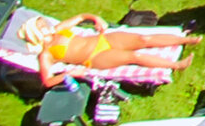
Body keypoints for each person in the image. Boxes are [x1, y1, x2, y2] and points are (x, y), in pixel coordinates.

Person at [34, 17, 191, 85]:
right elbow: (48, 81)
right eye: (41, 27)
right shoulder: (45, 54)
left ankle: (185, 39)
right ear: (35, 34)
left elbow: (82, 16)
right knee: (134, 56)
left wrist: (96, 19)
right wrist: (69, 74)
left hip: (103, 39)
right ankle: (177, 65)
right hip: (95, 57)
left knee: (144, 39)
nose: (46, 26)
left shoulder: (58, 29)